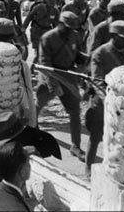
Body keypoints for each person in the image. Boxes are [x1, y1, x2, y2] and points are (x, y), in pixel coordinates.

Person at [84, 20, 124, 178]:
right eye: (122, 37)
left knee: (123, 137)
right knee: (96, 136)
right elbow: (97, 80)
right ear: (113, 36)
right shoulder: (101, 53)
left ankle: (118, 168)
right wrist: (110, 101)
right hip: (102, 102)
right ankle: (88, 168)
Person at [35, 11, 88, 161]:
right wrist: (53, 86)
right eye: (67, 27)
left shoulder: (74, 36)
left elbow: (76, 53)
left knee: (75, 112)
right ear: (60, 24)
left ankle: (75, 146)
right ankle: (32, 131)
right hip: (49, 77)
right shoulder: (47, 38)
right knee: (38, 105)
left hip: (68, 77)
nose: (70, 31)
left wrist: (84, 61)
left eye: (73, 28)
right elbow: (44, 64)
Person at [23, 0, 57, 64]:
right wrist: (23, 28)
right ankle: (32, 67)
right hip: (36, 31)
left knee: (46, 51)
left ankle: (38, 66)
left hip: (47, 31)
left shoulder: (55, 11)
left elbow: (56, 24)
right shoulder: (39, 7)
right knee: (38, 51)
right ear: (46, 3)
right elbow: (29, 17)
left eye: (52, 5)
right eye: (50, 5)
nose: (51, 7)